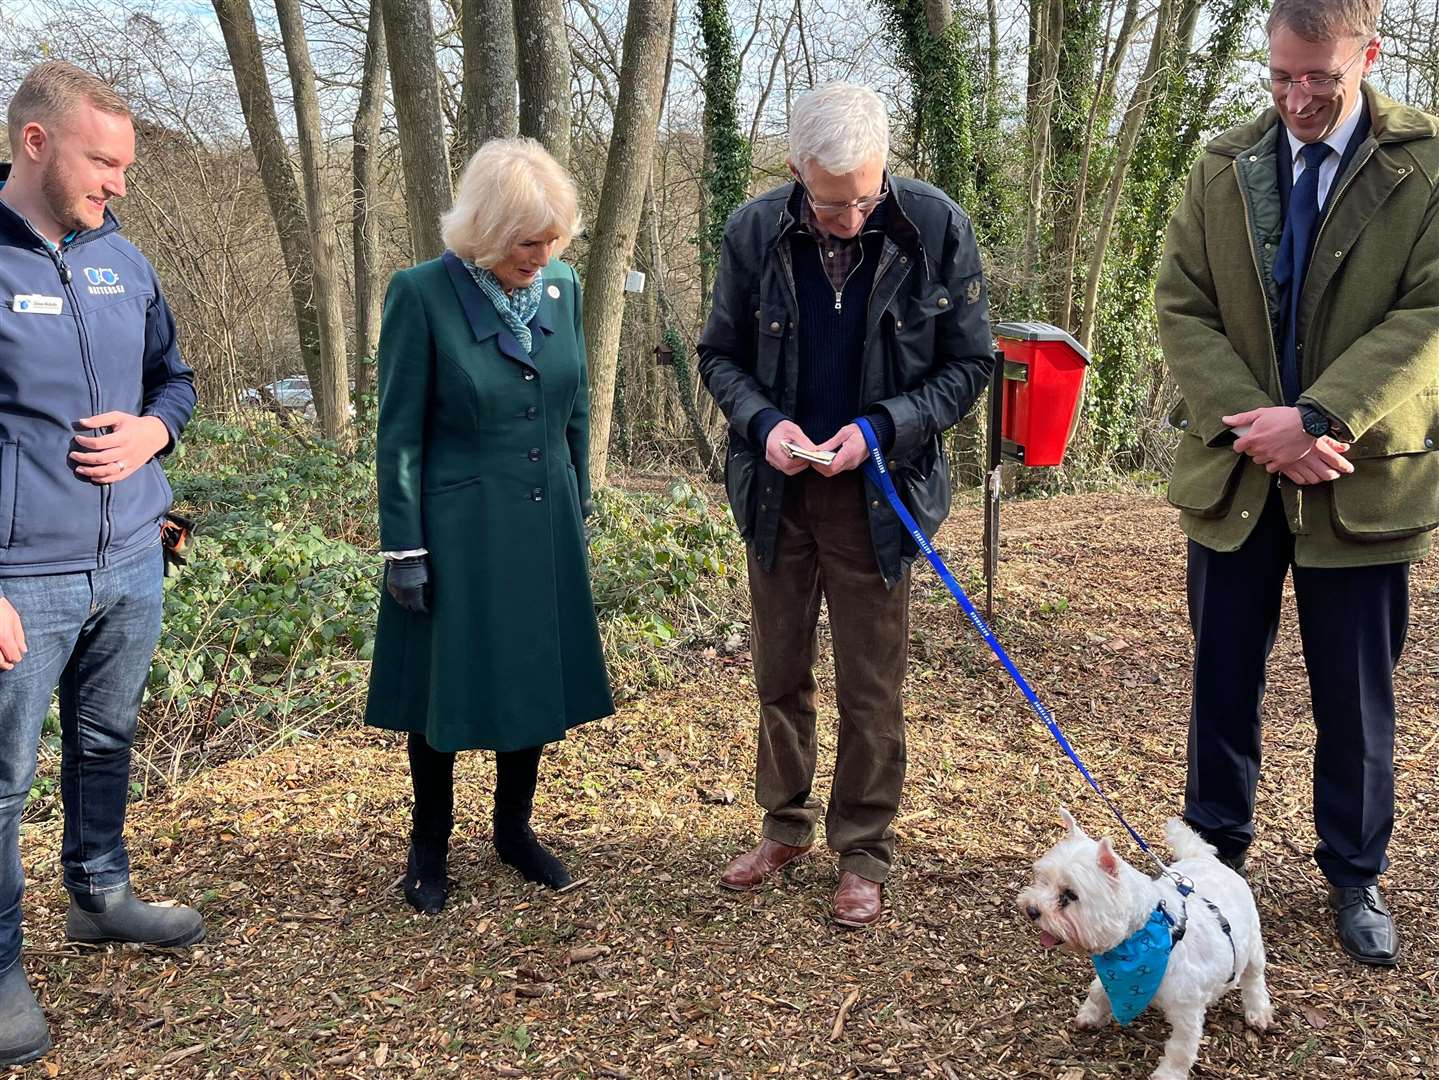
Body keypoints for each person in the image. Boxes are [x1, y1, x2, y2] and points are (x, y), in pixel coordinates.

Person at [1156, 0, 1439, 966]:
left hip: (1358, 476)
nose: (1297, 96)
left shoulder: (1426, 164)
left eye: (1318, 76)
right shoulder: (1221, 161)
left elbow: (1431, 312)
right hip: (1237, 473)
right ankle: (1213, 856)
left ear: (1367, 53)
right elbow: (1181, 306)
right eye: (1279, 75)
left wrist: (1317, 417)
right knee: (1219, 678)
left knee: (1355, 694)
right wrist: (1260, 428)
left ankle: (1353, 873)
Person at [697, 82, 994, 927]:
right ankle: (783, 825)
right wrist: (764, 425)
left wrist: (882, 427)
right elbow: (718, 355)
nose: (852, 218)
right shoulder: (753, 232)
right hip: (776, 492)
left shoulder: (935, 228)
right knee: (778, 670)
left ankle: (863, 849)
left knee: (872, 684)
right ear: (794, 173)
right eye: (832, 204)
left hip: (880, 494)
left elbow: (969, 366)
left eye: (866, 196)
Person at [0, 62, 202, 1065]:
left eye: (126, 164)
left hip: (130, 561)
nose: (120, 182)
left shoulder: (125, 261)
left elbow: (176, 380)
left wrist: (152, 437)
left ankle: (102, 894)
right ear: (36, 143)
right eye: (103, 161)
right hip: (18, 580)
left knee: (105, 741)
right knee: (0, 784)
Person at [365, 138, 613, 914]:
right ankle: (428, 846)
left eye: (552, 240)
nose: (541, 256)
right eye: (526, 241)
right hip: (456, 529)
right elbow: (397, 433)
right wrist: (403, 545)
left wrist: (578, 505)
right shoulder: (421, 294)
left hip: (543, 521)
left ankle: (513, 831)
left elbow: (572, 403)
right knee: (447, 689)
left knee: (531, 675)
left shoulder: (562, 288)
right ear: (483, 229)